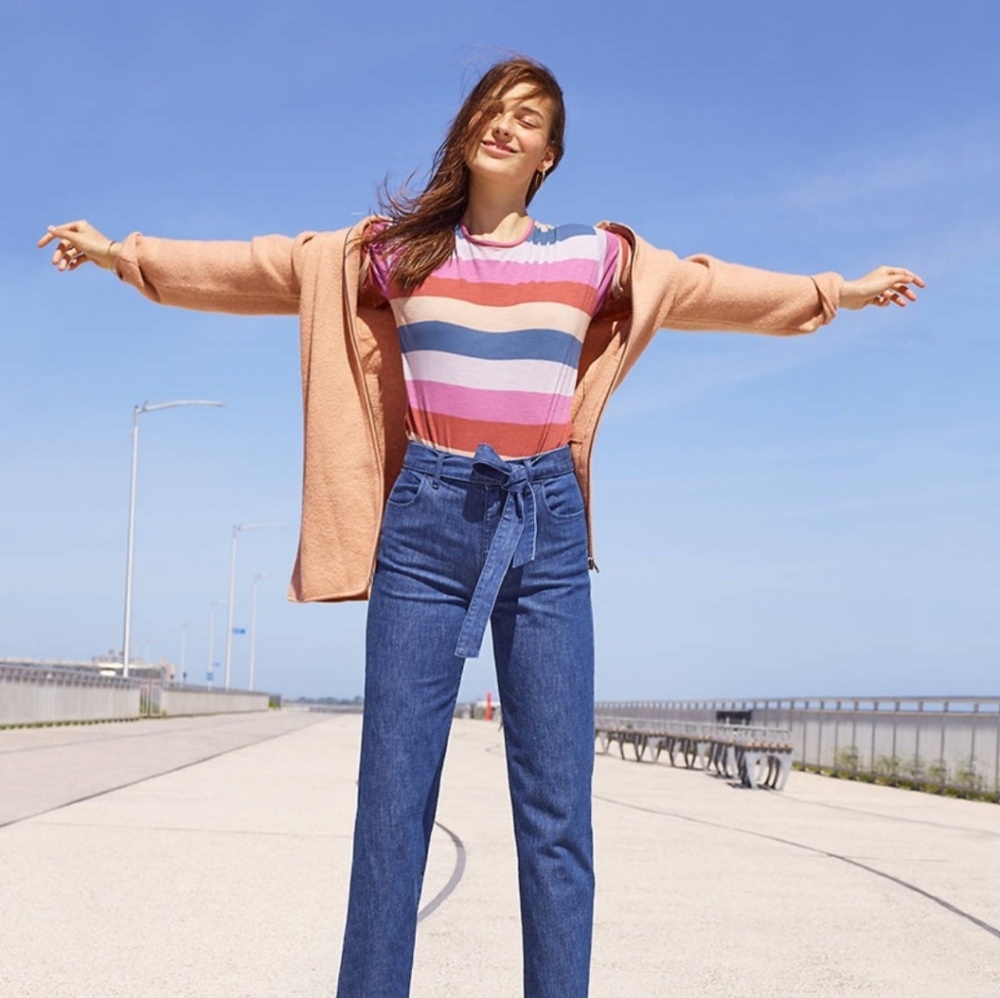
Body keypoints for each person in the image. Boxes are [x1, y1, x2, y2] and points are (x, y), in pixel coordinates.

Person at [38, 55, 922, 998]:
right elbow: (259, 267)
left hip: (544, 529)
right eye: (494, 109)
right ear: (468, 128)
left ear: (550, 154)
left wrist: (840, 290)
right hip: (424, 526)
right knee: (391, 810)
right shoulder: (392, 250)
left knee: (555, 817)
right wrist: (119, 254)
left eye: (529, 118)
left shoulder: (592, 255)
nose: (507, 125)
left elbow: (707, 288)